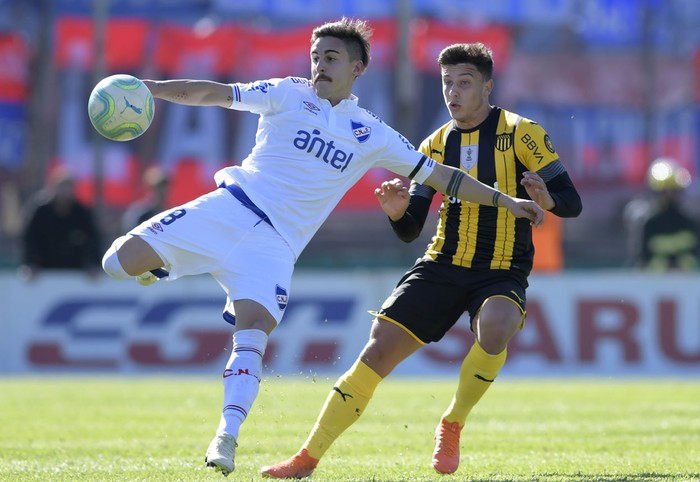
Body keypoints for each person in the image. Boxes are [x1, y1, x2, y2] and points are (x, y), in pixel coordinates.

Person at [100, 20, 544, 476]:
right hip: (227, 209)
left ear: (358, 68)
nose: (319, 65)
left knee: (253, 332)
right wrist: (150, 88)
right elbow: (212, 92)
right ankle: (157, 267)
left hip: (274, 247)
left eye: (331, 57)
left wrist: (505, 199)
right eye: (316, 56)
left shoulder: (372, 134)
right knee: (115, 264)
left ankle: (226, 437)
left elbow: (444, 177)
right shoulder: (287, 93)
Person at [261, 42, 582, 478]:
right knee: (375, 352)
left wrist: (548, 199)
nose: (454, 92)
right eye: (448, 82)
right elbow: (412, 226)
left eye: (465, 83)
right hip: (441, 264)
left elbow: (571, 202)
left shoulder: (522, 133)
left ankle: (453, 423)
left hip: (502, 269)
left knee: (498, 326)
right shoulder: (434, 143)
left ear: (488, 86)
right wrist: (397, 214)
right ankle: (306, 458)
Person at [19, 168, 102, 281]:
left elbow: (94, 240)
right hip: (44, 272)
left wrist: (93, 264)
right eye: (61, 187)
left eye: (68, 187)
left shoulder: (82, 214)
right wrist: (31, 264)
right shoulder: (41, 212)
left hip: (76, 273)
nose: (65, 192)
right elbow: (30, 239)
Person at [623, 157, 699, 271]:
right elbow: (641, 260)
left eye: (673, 191)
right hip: (654, 286)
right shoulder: (647, 223)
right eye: (664, 192)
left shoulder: (690, 222)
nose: (669, 196)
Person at [122, 165, 170, 231]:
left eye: (164, 188)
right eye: (158, 188)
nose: (162, 192)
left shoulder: (169, 213)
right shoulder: (139, 212)